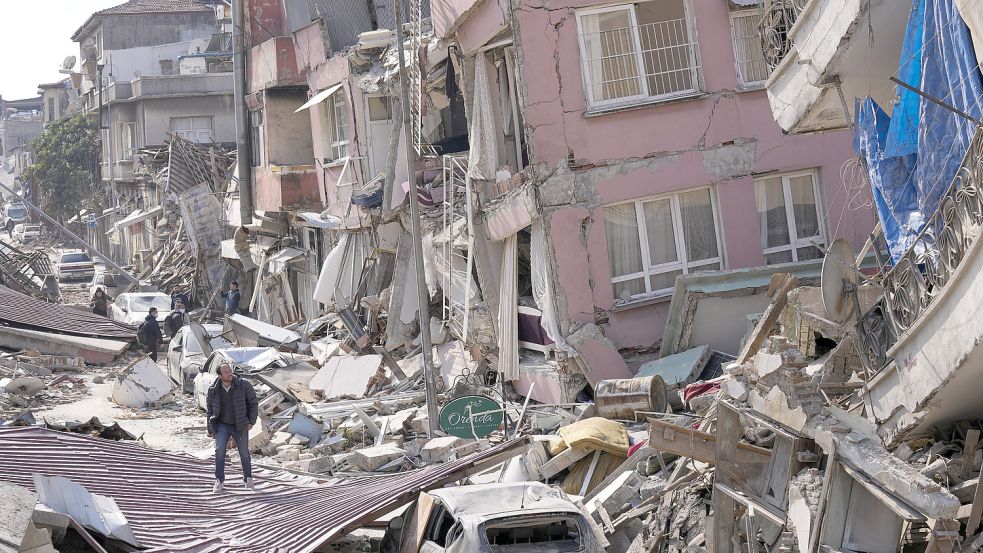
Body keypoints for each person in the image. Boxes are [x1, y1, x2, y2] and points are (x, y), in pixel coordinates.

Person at [206, 362, 258, 492]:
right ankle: (219, 480)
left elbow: (253, 403)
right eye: (226, 372)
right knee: (219, 451)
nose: (229, 373)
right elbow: (210, 410)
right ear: (220, 375)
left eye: (230, 370)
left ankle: (248, 479)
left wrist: (251, 422)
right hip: (222, 424)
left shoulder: (243, 385)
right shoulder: (213, 389)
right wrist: (210, 429)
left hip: (240, 424)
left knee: (244, 452)